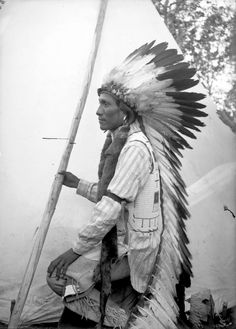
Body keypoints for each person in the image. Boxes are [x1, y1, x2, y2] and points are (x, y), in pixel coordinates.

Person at [47, 41, 206, 328]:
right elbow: (116, 194)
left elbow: (110, 206)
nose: (98, 111)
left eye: (105, 104)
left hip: (131, 254)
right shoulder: (120, 142)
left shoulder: (134, 148)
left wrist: (74, 250)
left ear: (125, 112)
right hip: (121, 248)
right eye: (99, 103)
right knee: (80, 298)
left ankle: (114, 319)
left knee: (75, 292)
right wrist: (77, 184)